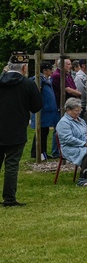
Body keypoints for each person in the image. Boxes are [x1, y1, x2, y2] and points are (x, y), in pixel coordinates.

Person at [0, 53, 43, 206]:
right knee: (11, 164)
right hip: (16, 129)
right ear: (24, 67)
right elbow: (37, 106)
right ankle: (9, 198)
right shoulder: (27, 84)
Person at [30, 61, 58, 161]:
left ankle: (42, 152)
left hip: (47, 111)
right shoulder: (39, 80)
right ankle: (39, 153)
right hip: (42, 111)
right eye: (50, 69)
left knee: (44, 132)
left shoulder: (46, 79)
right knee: (41, 132)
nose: (52, 71)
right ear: (45, 70)